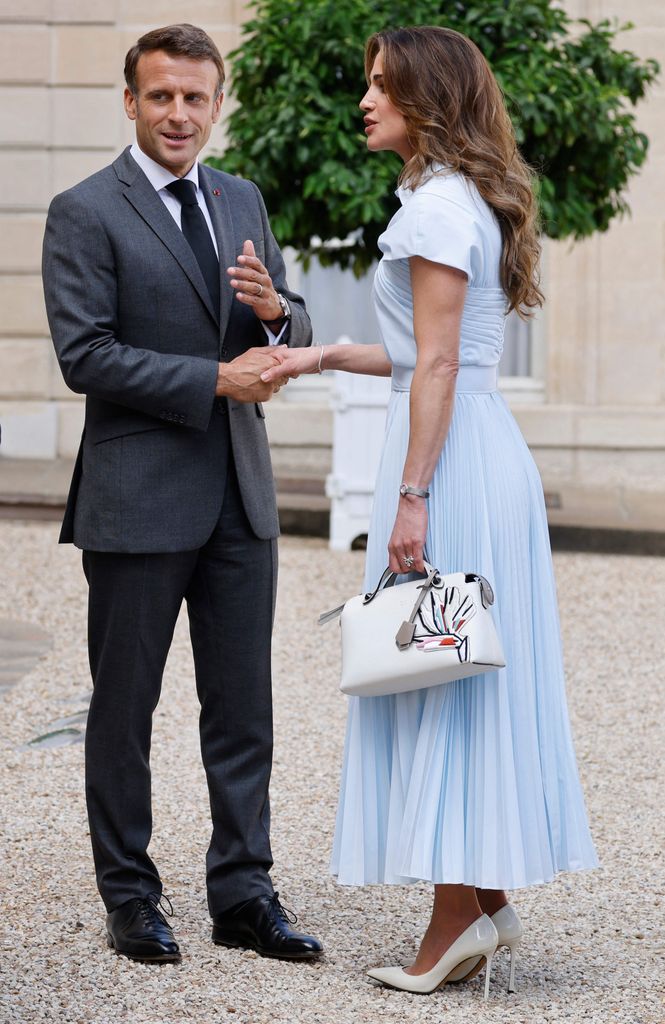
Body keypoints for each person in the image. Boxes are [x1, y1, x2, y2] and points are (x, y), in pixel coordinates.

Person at [261, 25, 598, 996]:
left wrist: (409, 495)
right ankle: (482, 897)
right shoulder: (448, 203)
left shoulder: (435, 210)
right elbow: (420, 353)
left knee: (436, 674)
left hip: (452, 466)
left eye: (381, 86)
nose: (363, 100)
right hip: (477, 452)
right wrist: (313, 355)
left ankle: (454, 915)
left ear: (428, 100)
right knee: (458, 672)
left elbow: (439, 366)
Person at [42, 23, 322, 964]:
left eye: (194, 97)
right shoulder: (84, 209)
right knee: (125, 712)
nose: (178, 113)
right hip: (137, 495)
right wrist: (213, 381)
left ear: (215, 102)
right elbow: (85, 356)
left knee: (243, 711)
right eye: (160, 96)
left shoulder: (240, 195)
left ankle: (244, 893)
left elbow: (284, 318)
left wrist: (281, 315)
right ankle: (131, 899)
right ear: (130, 101)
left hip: (239, 494)